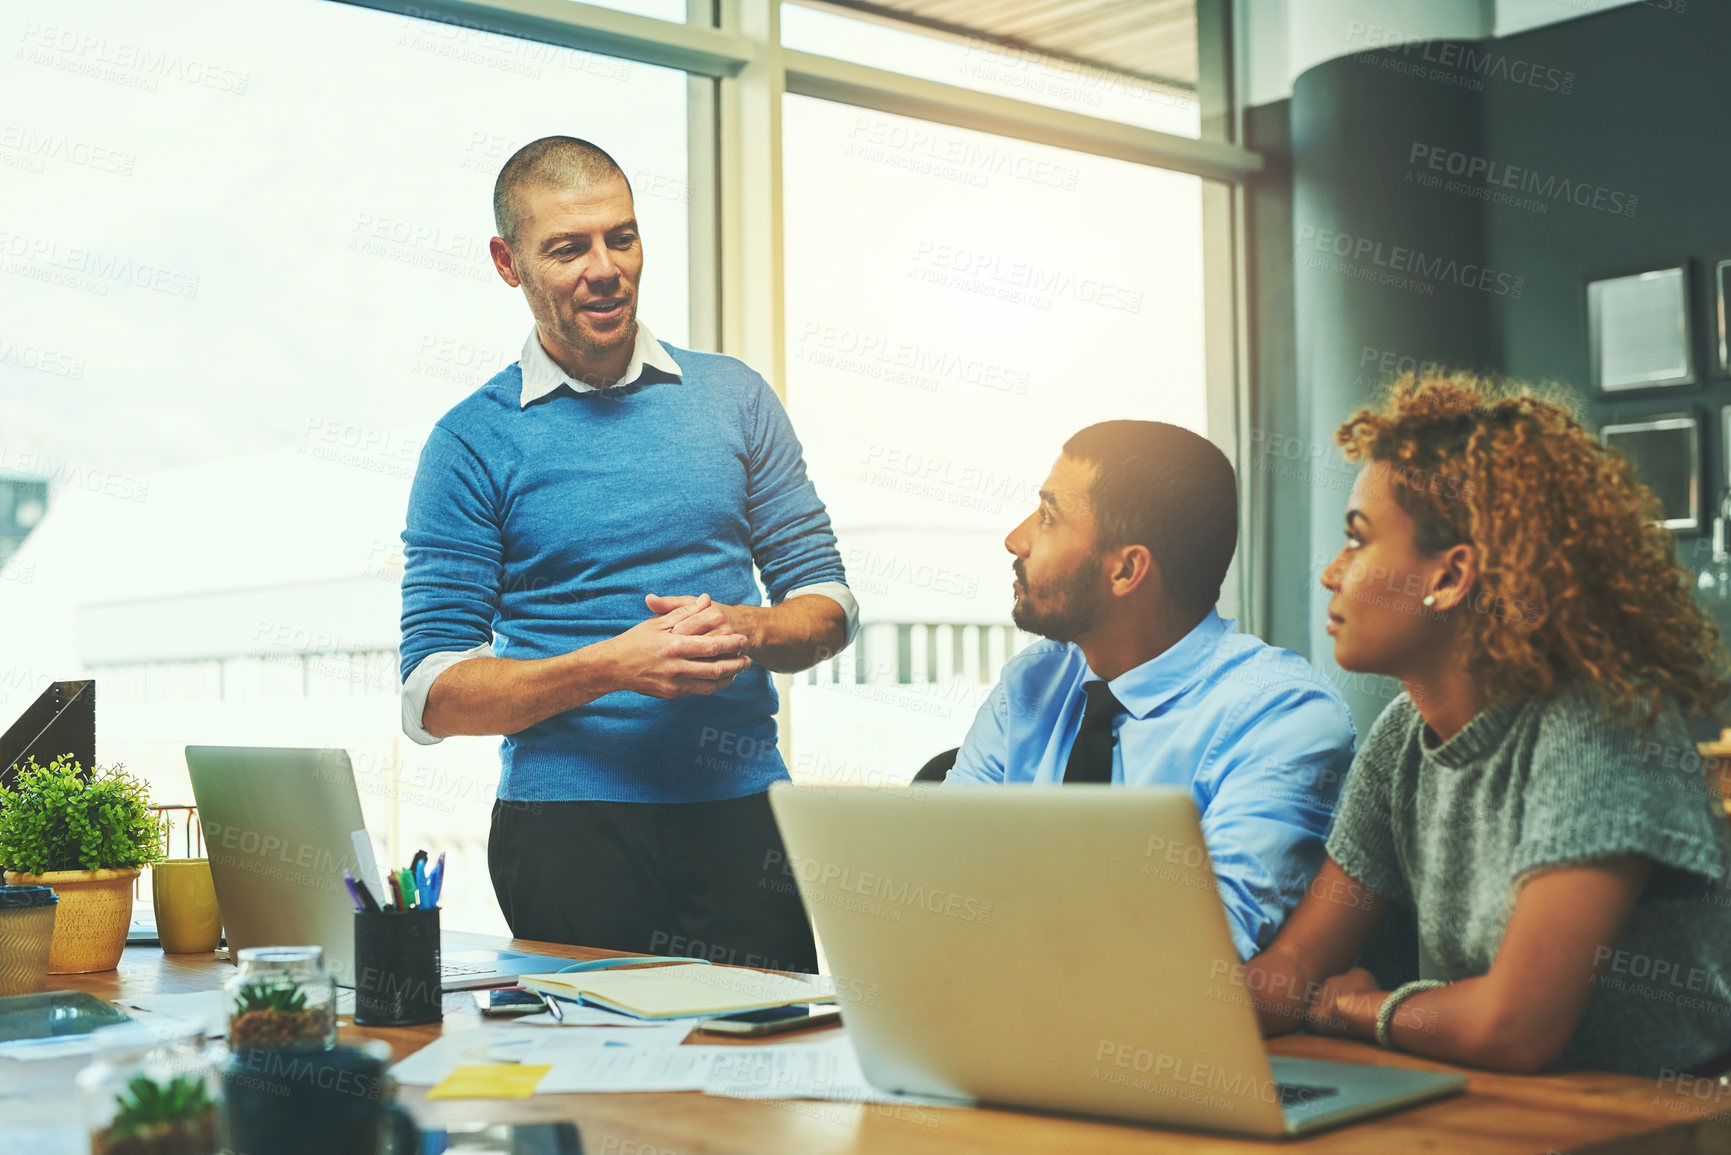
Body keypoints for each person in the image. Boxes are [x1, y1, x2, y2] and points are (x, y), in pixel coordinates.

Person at [398, 137, 855, 974]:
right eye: (567, 248)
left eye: (622, 237)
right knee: (601, 1092)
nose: (604, 268)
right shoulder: (470, 440)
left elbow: (828, 608)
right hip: (566, 828)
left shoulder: (737, 398)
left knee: (762, 1081)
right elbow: (433, 692)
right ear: (508, 263)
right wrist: (611, 665)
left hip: (747, 816)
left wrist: (742, 627)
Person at [1245, 372, 1731, 1076]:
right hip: (1496, 1113)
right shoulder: (1400, 736)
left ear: (1449, 577)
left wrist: (1350, 1009)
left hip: (1656, 1128)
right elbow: (1296, 962)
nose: (1330, 573)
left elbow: (1514, 1026)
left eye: (1356, 541)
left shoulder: (1599, 729)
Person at [947, 420, 1356, 960]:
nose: (1016, 539)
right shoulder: (1037, 679)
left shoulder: (1283, 715)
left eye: (1049, 517)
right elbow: (943, 883)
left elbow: (1203, 953)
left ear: (1127, 570)